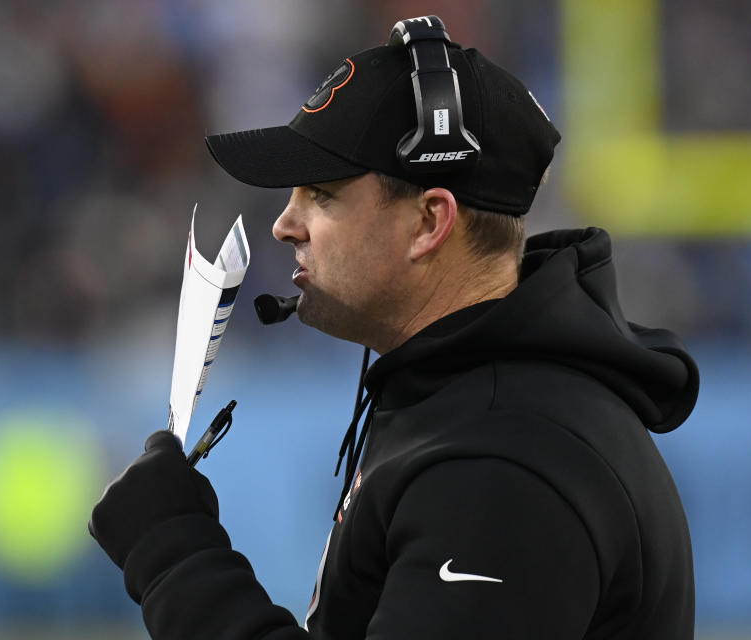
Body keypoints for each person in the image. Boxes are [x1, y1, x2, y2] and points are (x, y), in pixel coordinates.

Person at [89, 15, 700, 640]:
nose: (284, 225)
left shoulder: (503, 461)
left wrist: (174, 558)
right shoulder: (468, 405)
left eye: (321, 194)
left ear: (429, 221)